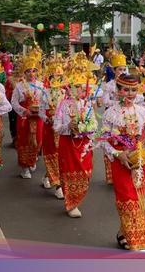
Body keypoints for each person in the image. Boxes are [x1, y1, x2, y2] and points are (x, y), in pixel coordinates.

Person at [99, 74, 145, 250]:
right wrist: (118, 154)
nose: (130, 93)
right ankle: (135, 243)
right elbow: (103, 141)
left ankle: (124, 233)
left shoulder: (143, 112)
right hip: (120, 163)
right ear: (118, 91)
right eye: (125, 89)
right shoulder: (110, 114)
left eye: (133, 90)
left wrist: (143, 152)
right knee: (127, 199)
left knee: (139, 200)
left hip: (139, 161)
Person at [53, 52, 98, 218]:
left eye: (81, 86)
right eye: (75, 86)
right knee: (70, 174)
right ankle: (71, 204)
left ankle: (76, 200)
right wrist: (69, 126)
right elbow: (57, 127)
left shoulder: (87, 104)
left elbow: (94, 124)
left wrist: (86, 127)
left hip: (84, 145)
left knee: (86, 175)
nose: (79, 89)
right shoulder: (63, 105)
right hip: (68, 145)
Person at [11, 47, 46, 179]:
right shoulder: (20, 86)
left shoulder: (42, 85)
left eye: (34, 71)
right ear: (24, 73)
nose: (32, 73)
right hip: (25, 117)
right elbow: (14, 102)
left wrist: (41, 110)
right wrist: (24, 110)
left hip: (38, 118)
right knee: (24, 141)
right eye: (29, 71)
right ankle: (24, 167)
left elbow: (46, 101)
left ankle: (33, 158)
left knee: (38, 140)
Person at [99, 50, 130, 185]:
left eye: (124, 69)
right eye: (120, 69)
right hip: (112, 115)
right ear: (114, 70)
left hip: (126, 114)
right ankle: (112, 174)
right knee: (111, 141)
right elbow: (105, 101)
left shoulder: (128, 83)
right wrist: (118, 101)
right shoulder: (109, 85)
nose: (122, 72)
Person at [40, 54, 66, 200]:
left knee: (61, 156)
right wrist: (47, 118)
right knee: (51, 155)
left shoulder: (65, 93)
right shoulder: (45, 94)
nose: (57, 80)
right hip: (49, 129)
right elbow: (41, 112)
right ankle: (58, 185)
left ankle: (48, 176)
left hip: (62, 129)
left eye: (59, 77)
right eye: (54, 77)